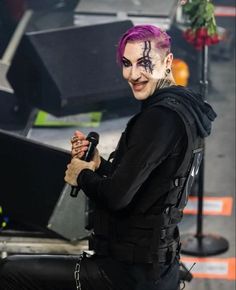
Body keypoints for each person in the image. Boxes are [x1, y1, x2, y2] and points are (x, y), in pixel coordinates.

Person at [0, 24, 216, 290]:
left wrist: (81, 175)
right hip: (155, 268)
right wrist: (99, 165)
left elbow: (117, 196)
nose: (133, 74)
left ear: (168, 61)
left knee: (10, 272)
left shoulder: (159, 119)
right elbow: (145, 182)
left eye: (144, 63)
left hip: (125, 276)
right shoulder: (183, 108)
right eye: (127, 63)